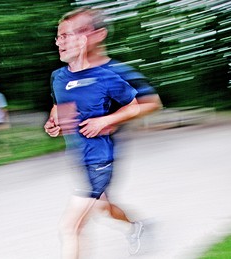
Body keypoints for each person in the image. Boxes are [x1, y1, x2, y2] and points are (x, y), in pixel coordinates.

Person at [44, 8, 153, 258]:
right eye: (58, 37)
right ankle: (134, 228)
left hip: (99, 160)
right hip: (78, 157)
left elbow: (135, 105)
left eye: (67, 36)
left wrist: (107, 120)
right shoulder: (58, 77)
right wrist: (54, 122)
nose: (60, 42)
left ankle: (133, 228)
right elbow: (60, 107)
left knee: (71, 226)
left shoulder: (106, 76)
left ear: (83, 40)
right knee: (103, 208)